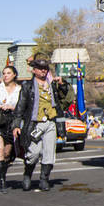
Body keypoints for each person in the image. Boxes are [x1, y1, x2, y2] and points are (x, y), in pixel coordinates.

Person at [12, 56, 70, 192]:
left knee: (49, 154)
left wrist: (62, 84)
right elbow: (20, 106)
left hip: (50, 122)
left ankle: (44, 179)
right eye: (40, 69)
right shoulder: (27, 86)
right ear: (34, 70)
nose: (43, 71)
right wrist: (16, 125)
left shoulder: (53, 85)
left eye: (45, 69)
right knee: (33, 153)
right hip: (34, 124)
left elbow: (66, 96)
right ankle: (27, 174)